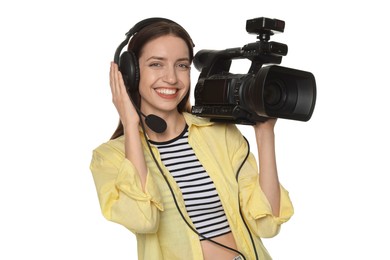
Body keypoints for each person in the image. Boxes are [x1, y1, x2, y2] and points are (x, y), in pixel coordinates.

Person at [90, 17, 294, 260]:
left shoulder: (219, 133)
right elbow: (143, 218)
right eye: (156, 64)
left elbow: (267, 225)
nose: (172, 78)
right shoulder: (110, 157)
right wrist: (131, 125)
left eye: (182, 65)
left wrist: (265, 133)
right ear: (131, 73)